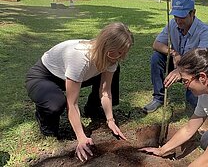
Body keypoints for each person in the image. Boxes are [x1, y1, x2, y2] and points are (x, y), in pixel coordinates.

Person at [26, 22, 134, 161]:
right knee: (55, 104)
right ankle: (44, 116)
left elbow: (105, 91)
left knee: (114, 71)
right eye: (120, 52)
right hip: (44, 77)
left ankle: (92, 108)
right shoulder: (80, 58)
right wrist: (81, 137)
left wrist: (110, 120)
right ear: (109, 46)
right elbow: (73, 104)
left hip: (73, 75)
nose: (123, 56)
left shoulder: (111, 59)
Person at [143, 0, 208, 113]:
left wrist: (181, 70)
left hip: (194, 70)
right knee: (156, 57)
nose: (178, 20)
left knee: (193, 101)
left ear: (193, 13)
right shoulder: (172, 24)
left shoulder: (206, 32)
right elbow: (156, 44)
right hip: (175, 64)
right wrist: (174, 53)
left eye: (182, 16)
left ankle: (196, 101)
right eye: (176, 16)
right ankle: (159, 98)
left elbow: (201, 60)